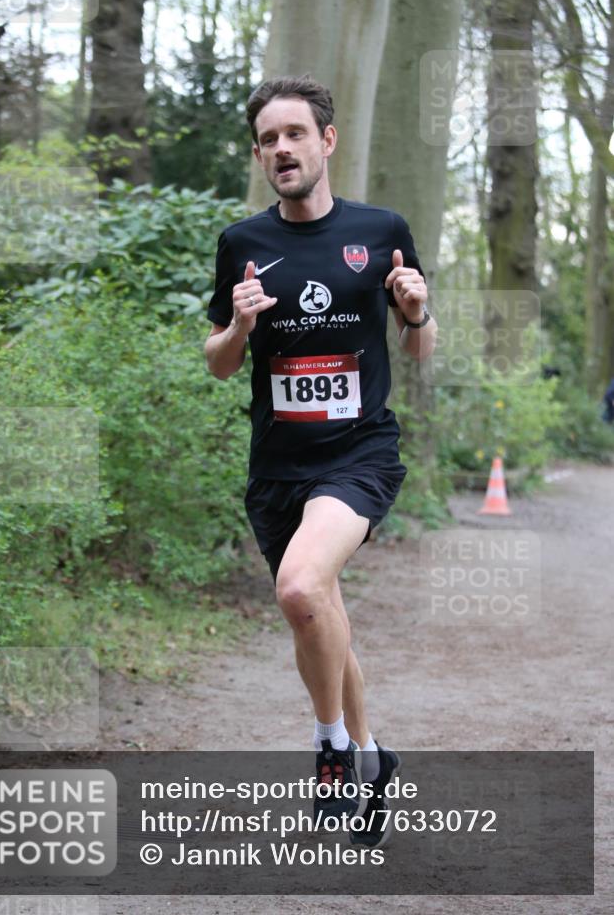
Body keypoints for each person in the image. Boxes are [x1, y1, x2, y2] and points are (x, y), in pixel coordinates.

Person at [204, 75, 437, 847]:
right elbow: (217, 363)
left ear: (326, 141)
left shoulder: (380, 231)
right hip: (276, 465)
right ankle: (371, 759)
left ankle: (331, 748)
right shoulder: (243, 244)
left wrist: (414, 311)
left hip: (358, 454)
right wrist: (236, 328)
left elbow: (419, 346)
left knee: (301, 587)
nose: (281, 150)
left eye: (294, 134)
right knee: (320, 611)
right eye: (268, 140)